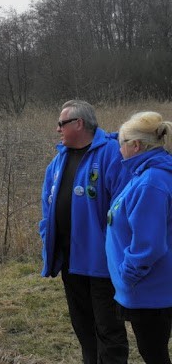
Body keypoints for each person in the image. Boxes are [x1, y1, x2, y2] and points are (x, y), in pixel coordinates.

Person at [40, 100, 129, 363]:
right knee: (83, 328)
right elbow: (47, 206)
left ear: (78, 124)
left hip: (101, 263)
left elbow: (123, 209)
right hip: (70, 261)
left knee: (108, 330)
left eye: (61, 123)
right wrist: (47, 235)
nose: (57, 129)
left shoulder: (112, 153)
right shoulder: (58, 160)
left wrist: (113, 250)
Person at [105, 112, 172, 364]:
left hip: (150, 290)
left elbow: (149, 245)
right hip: (152, 288)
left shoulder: (151, 182)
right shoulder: (147, 175)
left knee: (154, 355)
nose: (118, 149)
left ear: (136, 146)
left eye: (122, 143)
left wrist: (127, 276)